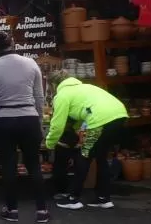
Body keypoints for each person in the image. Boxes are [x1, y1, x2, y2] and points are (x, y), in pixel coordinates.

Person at [0, 31, 50, 223]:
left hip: (3, 119)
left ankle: (11, 209)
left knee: (8, 165)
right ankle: (42, 210)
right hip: (28, 117)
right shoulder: (30, 63)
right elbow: (39, 96)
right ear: (14, 43)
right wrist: (38, 120)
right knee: (34, 164)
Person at [45, 71, 128, 210]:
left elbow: (57, 125)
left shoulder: (62, 95)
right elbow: (82, 115)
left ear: (54, 84)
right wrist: (79, 131)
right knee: (101, 157)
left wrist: (49, 143)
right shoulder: (86, 87)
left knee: (83, 156)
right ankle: (104, 198)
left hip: (99, 122)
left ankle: (73, 199)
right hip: (119, 116)